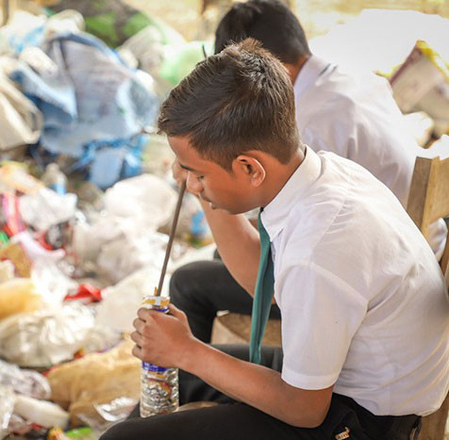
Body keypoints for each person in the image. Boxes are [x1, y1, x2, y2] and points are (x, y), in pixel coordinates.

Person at [100, 39, 449, 440]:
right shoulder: (321, 174)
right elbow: (261, 281)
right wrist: (202, 185)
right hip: (341, 381)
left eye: (198, 174)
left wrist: (187, 350)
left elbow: (304, 409)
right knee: (175, 378)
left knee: (122, 437)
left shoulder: (319, 248)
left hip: (363, 420)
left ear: (250, 167)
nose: (192, 184)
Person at [171, 0, 447, 343]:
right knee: (225, 246)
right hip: (420, 249)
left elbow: (280, 264)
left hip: (380, 284)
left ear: (269, 73)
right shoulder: (352, 79)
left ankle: (189, 384)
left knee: (189, 282)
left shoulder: (310, 125)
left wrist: (200, 183)